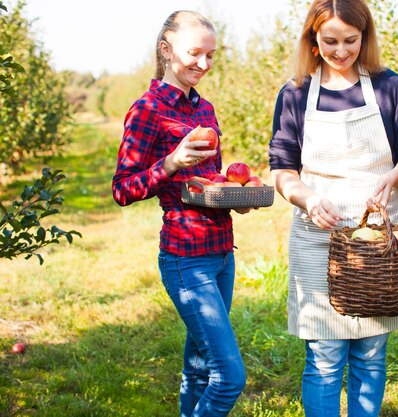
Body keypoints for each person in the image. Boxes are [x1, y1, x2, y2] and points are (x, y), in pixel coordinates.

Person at [268, 0, 398, 415]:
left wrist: (394, 176)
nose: (341, 51)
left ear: (365, 37)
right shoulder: (296, 93)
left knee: (371, 354)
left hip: (380, 240)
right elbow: (282, 169)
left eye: (350, 41)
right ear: (313, 40)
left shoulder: (390, 86)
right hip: (319, 235)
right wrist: (307, 197)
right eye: (330, 41)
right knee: (323, 358)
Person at [112, 10, 248, 417]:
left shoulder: (205, 110)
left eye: (211, 56)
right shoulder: (147, 110)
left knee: (200, 368)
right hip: (186, 258)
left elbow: (208, 182)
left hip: (223, 252)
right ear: (166, 49)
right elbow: (122, 189)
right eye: (194, 54)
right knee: (229, 378)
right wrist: (170, 163)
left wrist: (235, 192)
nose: (203, 65)